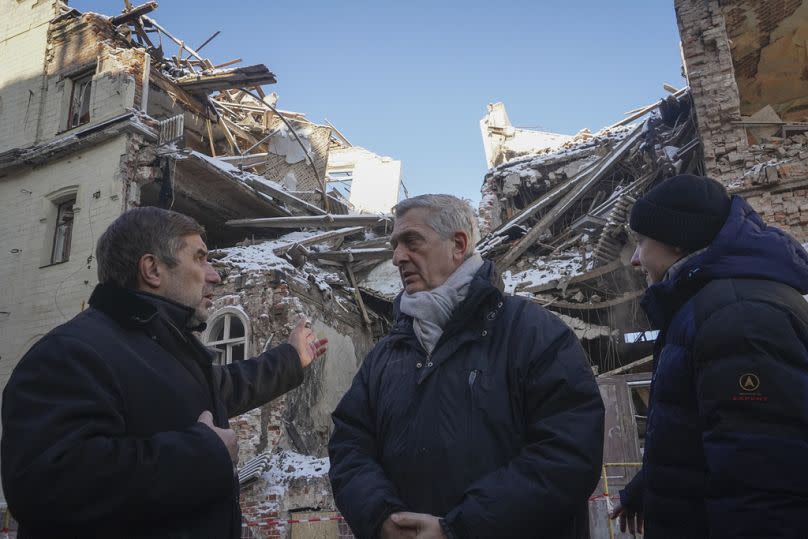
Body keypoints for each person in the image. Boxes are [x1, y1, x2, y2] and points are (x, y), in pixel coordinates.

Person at [1, 207, 328, 538]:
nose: (215, 275)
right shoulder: (71, 352)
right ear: (152, 269)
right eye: (200, 259)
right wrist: (201, 453)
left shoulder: (165, 350)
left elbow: (226, 386)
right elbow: (46, 485)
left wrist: (292, 357)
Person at [328, 194, 605, 539]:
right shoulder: (386, 354)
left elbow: (567, 456)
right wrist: (382, 517)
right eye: (395, 245)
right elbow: (349, 447)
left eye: (412, 242)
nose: (398, 257)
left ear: (458, 244)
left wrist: (459, 528)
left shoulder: (534, 334)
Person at [610, 174, 808, 538]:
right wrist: (653, 486)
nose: (635, 259)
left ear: (676, 242)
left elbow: (762, 483)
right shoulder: (708, 308)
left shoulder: (738, 317)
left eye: (641, 241)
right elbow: (708, 432)